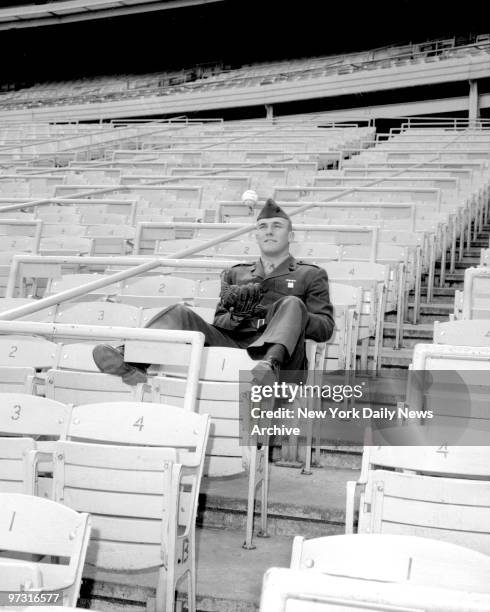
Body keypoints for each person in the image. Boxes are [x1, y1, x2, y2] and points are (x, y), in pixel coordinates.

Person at [92, 198, 335, 386]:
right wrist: (238, 316)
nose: (269, 231)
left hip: (284, 354)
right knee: (179, 313)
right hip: (233, 343)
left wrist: (288, 312)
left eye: (277, 226)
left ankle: (270, 366)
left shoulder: (310, 274)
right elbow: (220, 321)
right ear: (256, 235)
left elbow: (324, 328)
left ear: (290, 235)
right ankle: (132, 360)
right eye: (263, 226)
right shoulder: (236, 273)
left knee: (292, 303)